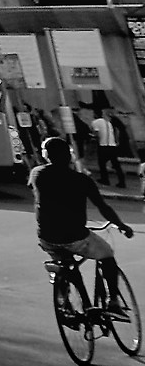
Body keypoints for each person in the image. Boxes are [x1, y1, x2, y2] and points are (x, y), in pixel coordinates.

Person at [33, 133, 134, 313]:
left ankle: (65, 299)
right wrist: (121, 225)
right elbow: (103, 207)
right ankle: (113, 301)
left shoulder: (37, 174)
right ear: (69, 155)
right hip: (75, 237)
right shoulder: (82, 180)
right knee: (107, 254)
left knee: (64, 262)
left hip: (47, 236)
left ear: (46, 155)